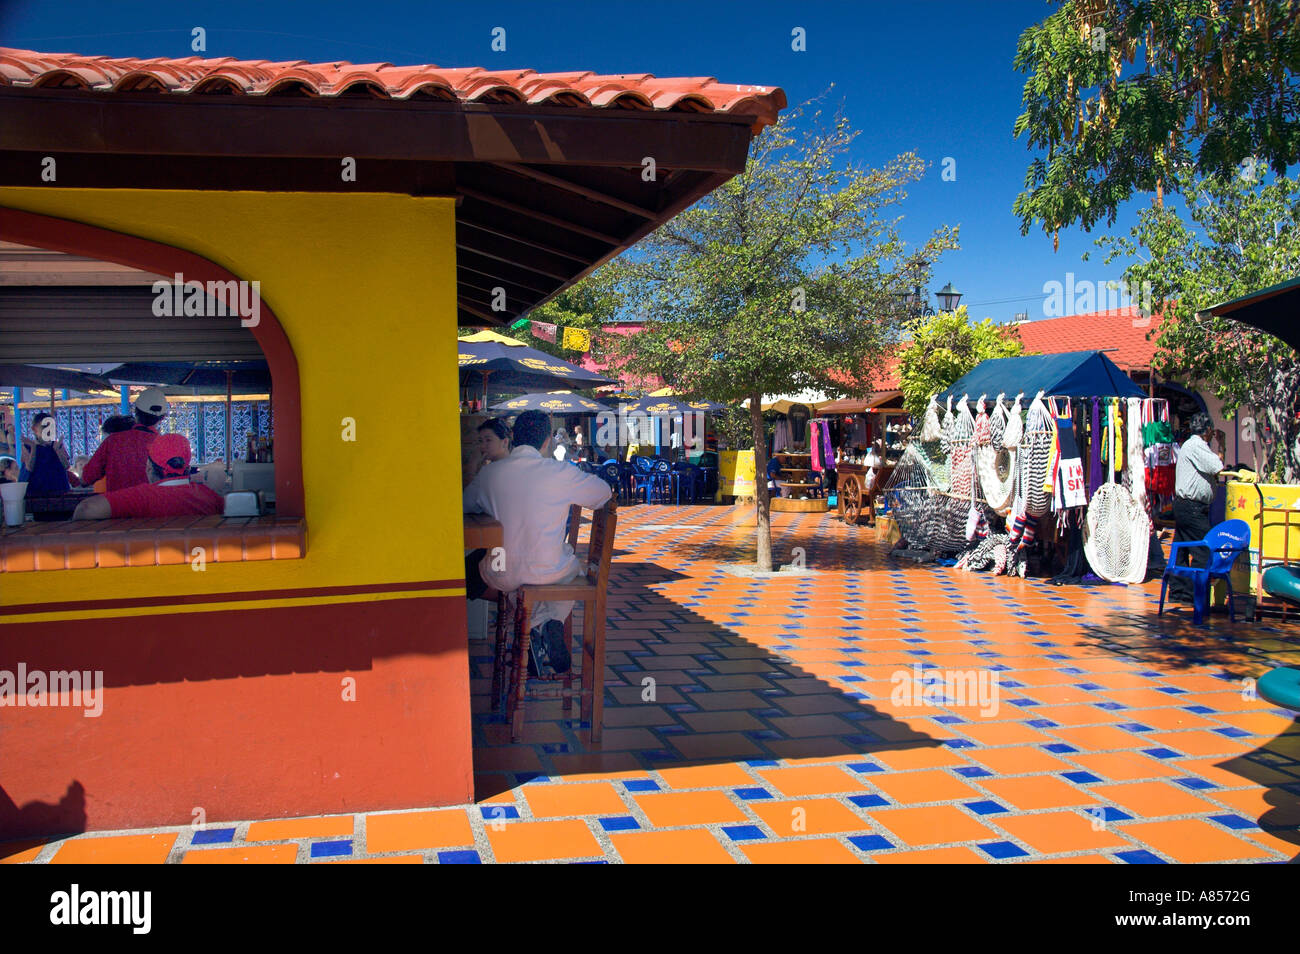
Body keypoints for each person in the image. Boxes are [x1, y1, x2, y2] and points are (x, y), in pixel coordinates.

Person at [463, 410, 613, 675]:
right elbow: (603, 494)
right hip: (550, 571)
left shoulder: (490, 474)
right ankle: (544, 622)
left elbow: (464, 505)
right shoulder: (560, 471)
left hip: (502, 572)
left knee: (514, 583)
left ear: (513, 438)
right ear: (547, 442)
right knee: (570, 569)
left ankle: (531, 627)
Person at [73, 433, 223, 520]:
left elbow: (86, 508)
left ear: (149, 467)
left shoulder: (140, 496)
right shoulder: (209, 496)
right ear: (187, 467)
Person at [1168, 412, 1225, 603]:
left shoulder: (1190, 445)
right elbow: (1217, 467)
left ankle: (1180, 593)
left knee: (1181, 549)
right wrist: (1221, 445)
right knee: (1205, 548)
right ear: (1208, 430)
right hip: (1191, 507)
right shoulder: (1197, 445)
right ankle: (1195, 595)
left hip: (1186, 506)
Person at [79, 387, 169, 492]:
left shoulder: (113, 441)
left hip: (117, 507)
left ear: (135, 412)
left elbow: (86, 479)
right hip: (152, 507)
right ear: (162, 418)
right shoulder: (165, 446)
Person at [19, 412, 72, 496]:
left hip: (58, 488)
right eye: (44, 427)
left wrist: (58, 451)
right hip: (36, 490)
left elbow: (66, 466)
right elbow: (29, 467)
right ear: (34, 429)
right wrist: (33, 448)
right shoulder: (27, 446)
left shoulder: (57, 445)